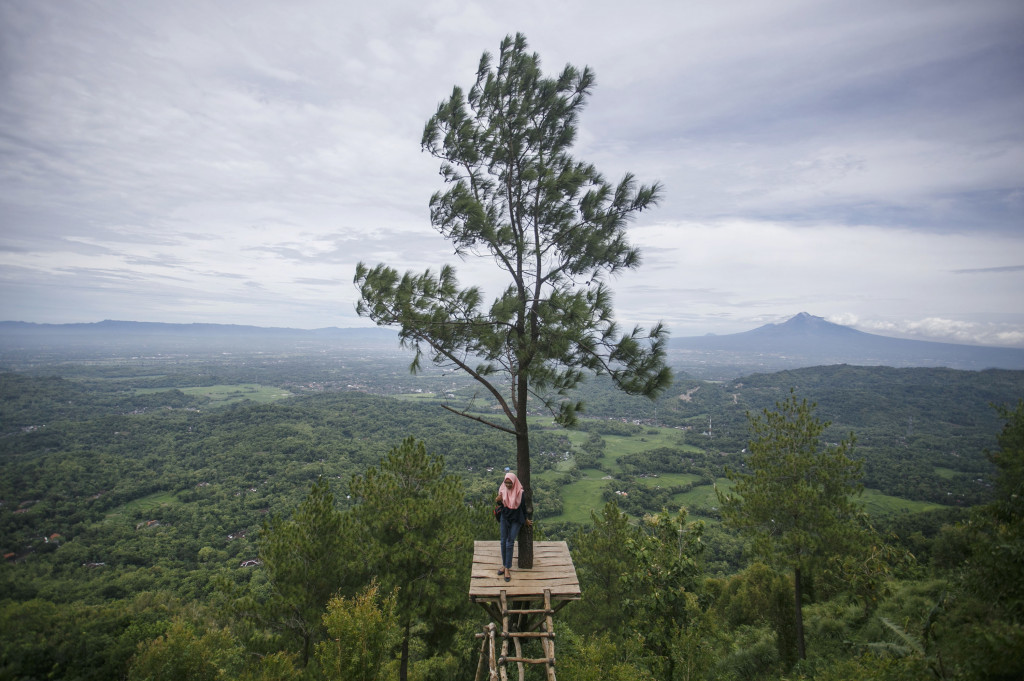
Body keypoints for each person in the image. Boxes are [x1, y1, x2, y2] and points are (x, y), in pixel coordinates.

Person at [496, 471, 531, 582]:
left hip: (516, 517)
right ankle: (504, 564)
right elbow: (502, 504)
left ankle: (507, 567)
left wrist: (526, 520)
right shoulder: (502, 489)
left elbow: (523, 507)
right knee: (503, 541)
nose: (508, 485)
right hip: (505, 516)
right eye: (506, 483)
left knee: (509, 542)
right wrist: (498, 501)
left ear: (514, 482)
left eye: (510, 483)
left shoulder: (519, 492)